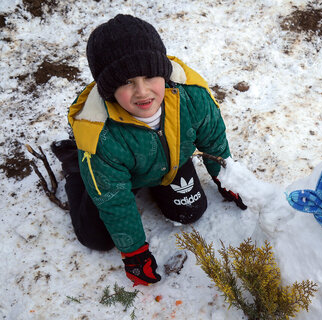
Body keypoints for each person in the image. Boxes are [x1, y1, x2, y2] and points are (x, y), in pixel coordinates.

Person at [51, 14, 246, 287]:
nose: (142, 92)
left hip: (169, 161)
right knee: (96, 238)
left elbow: (214, 141)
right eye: (127, 82)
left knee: (191, 211)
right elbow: (114, 199)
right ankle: (75, 166)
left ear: (163, 72)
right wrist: (134, 253)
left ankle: (155, 180)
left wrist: (225, 179)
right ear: (108, 89)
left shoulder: (192, 96)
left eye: (149, 76)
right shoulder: (101, 135)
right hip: (116, 177)